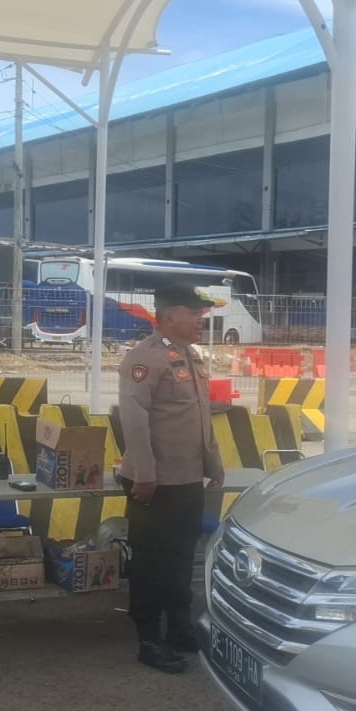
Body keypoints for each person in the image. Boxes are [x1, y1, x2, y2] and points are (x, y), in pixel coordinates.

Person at [116, 281, 224, 674]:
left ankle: (179, 629)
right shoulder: (145, 359)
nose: (200, 320)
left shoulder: (191, 356)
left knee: (180, 560)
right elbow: (134, 419)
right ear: (171, 316)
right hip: (155, 482)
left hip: (187, 479)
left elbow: (200, 416)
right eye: (194, 313)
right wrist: (145, 476)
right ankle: (149, 639)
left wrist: (213, 465)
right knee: (151, 563)